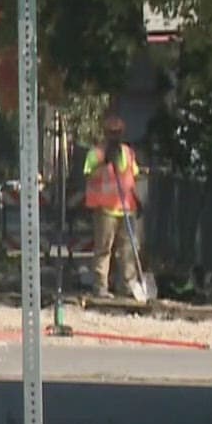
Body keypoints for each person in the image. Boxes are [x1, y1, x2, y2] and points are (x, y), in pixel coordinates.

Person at [83, 113, 143, 297]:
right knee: (104, 249)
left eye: (118, 132)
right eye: (111, 132)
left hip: (126, 209)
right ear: (106, 133)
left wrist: (138, 201)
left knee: (128, 250)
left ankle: (128, 286)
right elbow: (88, 174)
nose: (115, 136)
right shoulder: (96, 153)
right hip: (105, 210)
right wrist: (103, 164)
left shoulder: (128, 153)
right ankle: (101, 287)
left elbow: (133, 177)